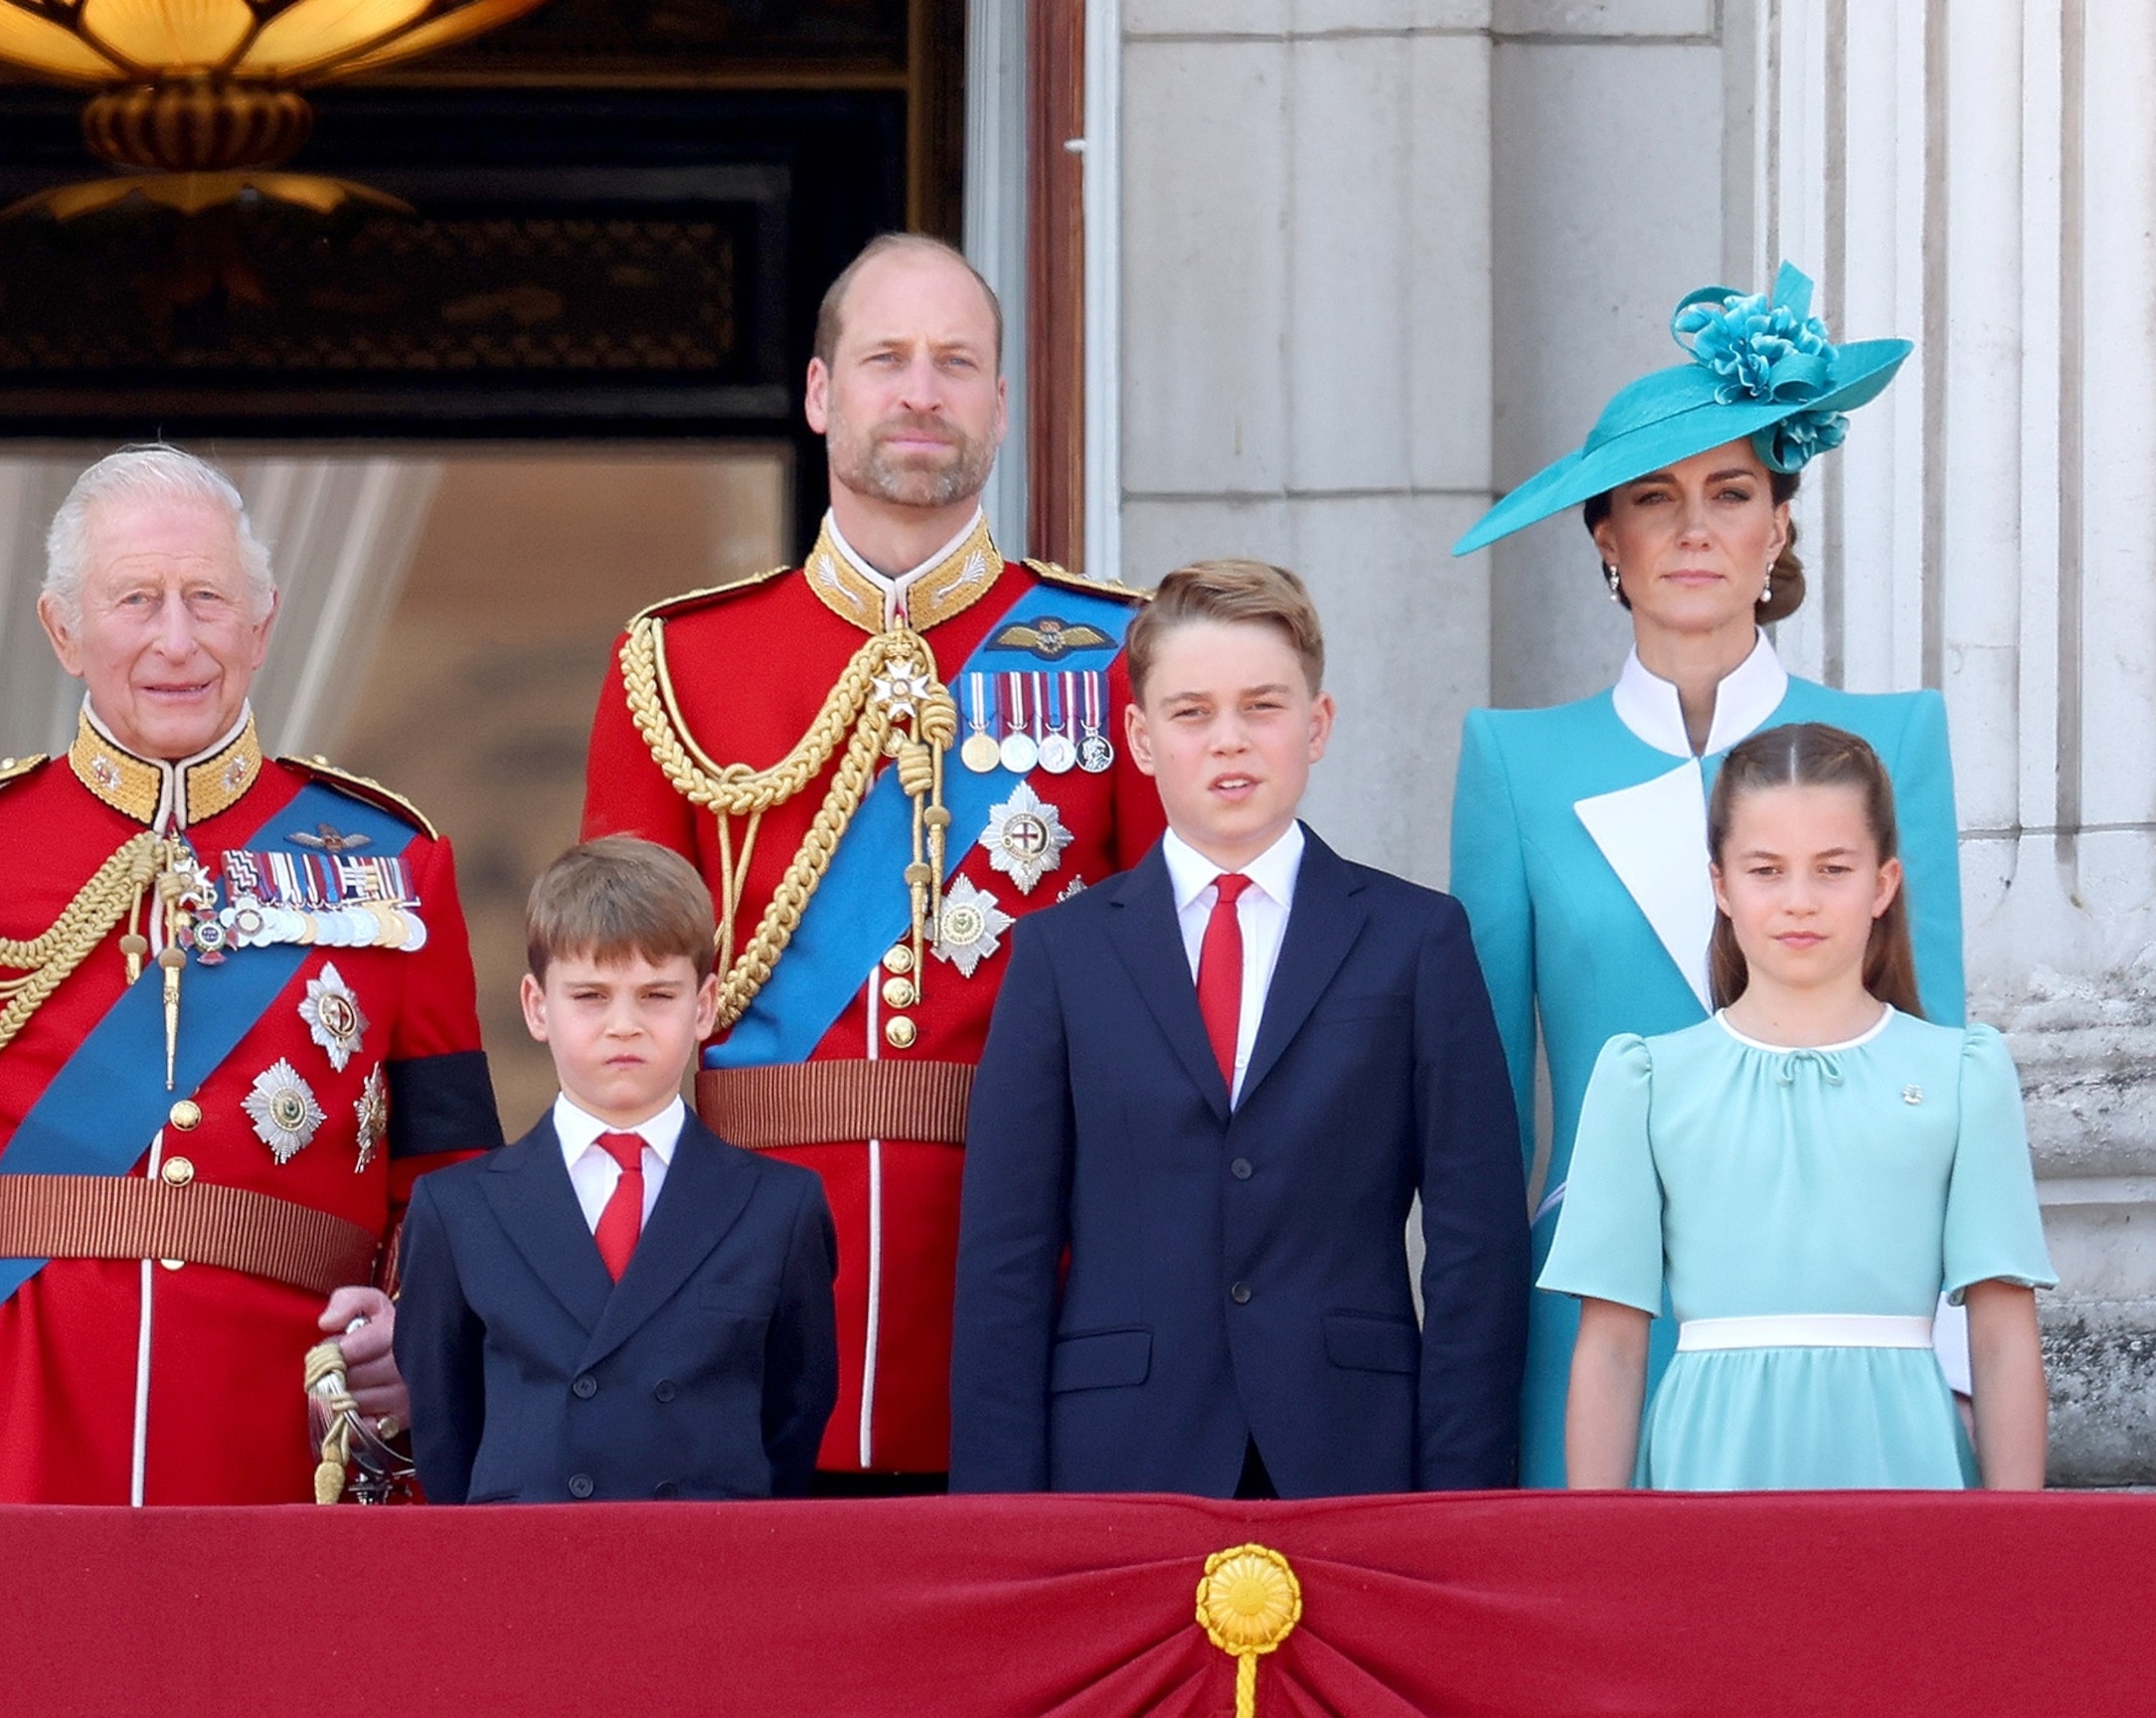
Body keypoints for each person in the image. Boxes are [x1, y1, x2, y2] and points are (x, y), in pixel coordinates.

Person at [0, 444, 503, 1505]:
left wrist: (420, 1347)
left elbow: (448, 1179)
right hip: (16, 1436)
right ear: (64, 631)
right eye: (136, 600)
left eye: (208, 599)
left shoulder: (390, 864)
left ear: (262, 626)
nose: (176, 641)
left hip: (280, 1445)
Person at [582, 233, 1164, 1491]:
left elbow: (1173, 1009)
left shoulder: (1120, 657)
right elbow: (612, 1020)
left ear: (1001, 405)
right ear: (817, 394)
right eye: (886, 358)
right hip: (738, 1285)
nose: (920, 391)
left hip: (1028, 1272)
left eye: (957, 363)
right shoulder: (679, 665)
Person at [1447, 262, 1964, 1486]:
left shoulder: (1894, 739)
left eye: (1731, 493)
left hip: (1846, 1310)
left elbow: (1937, 1055)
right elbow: (1483, 1115)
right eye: (1653, 497)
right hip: (1600, 1312)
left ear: (1777, 525)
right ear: (1605, 537)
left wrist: (1952, 1345)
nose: (1693, 529)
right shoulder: (1512, 762)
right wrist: (1469, 1362)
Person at [950, 561, 1528, 1498]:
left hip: (1354, 1456)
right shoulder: (1060, 957)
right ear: (1138, 738)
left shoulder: (1416, 940)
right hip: (1117, 1461)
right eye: (1191, 712)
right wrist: (997, 1519)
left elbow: (1478, 1243)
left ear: (1318, 725)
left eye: (1262, 707)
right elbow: (1006, 1255)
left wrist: (1461, 1495)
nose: (1230, 743)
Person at [1542, 724, 2052, 1489]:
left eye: (1832, 869)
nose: (1800, 902)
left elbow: (2004, 1334)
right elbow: (1612, 1346)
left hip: (1904, 1468)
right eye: (1767, 871)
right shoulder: (1647, 1081)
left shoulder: (1960, 1074)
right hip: (1707, 1472)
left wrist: (2018, 1550)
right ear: (1720, 885)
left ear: (1883, 884)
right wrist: (1594, 1561)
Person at [397, 837, 839, 1502]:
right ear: (537, 1005)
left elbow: (793, 1417)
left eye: (657, 994)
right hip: (530, 1575)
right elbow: (445, 1428)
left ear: (704, 1005)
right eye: (592, 995)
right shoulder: (456, 1211)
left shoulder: (780, 1206)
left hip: (709, 1573)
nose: (624, 1025)